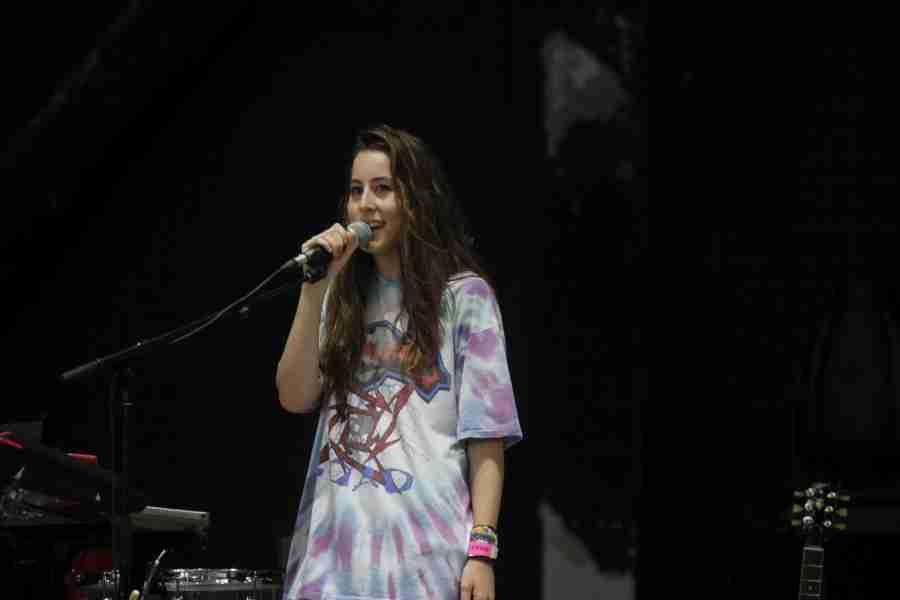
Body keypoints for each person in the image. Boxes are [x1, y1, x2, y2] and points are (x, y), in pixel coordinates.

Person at [275, 124, 523, 600]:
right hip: (333, 562)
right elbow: (294, 395)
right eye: (355, 191)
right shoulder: (339, 298)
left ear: (416, 200)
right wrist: (314, 291)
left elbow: (486, 439)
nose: (365, 204)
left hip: (425, 561)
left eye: (382, 189)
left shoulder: (465, 299)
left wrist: (481, 552)